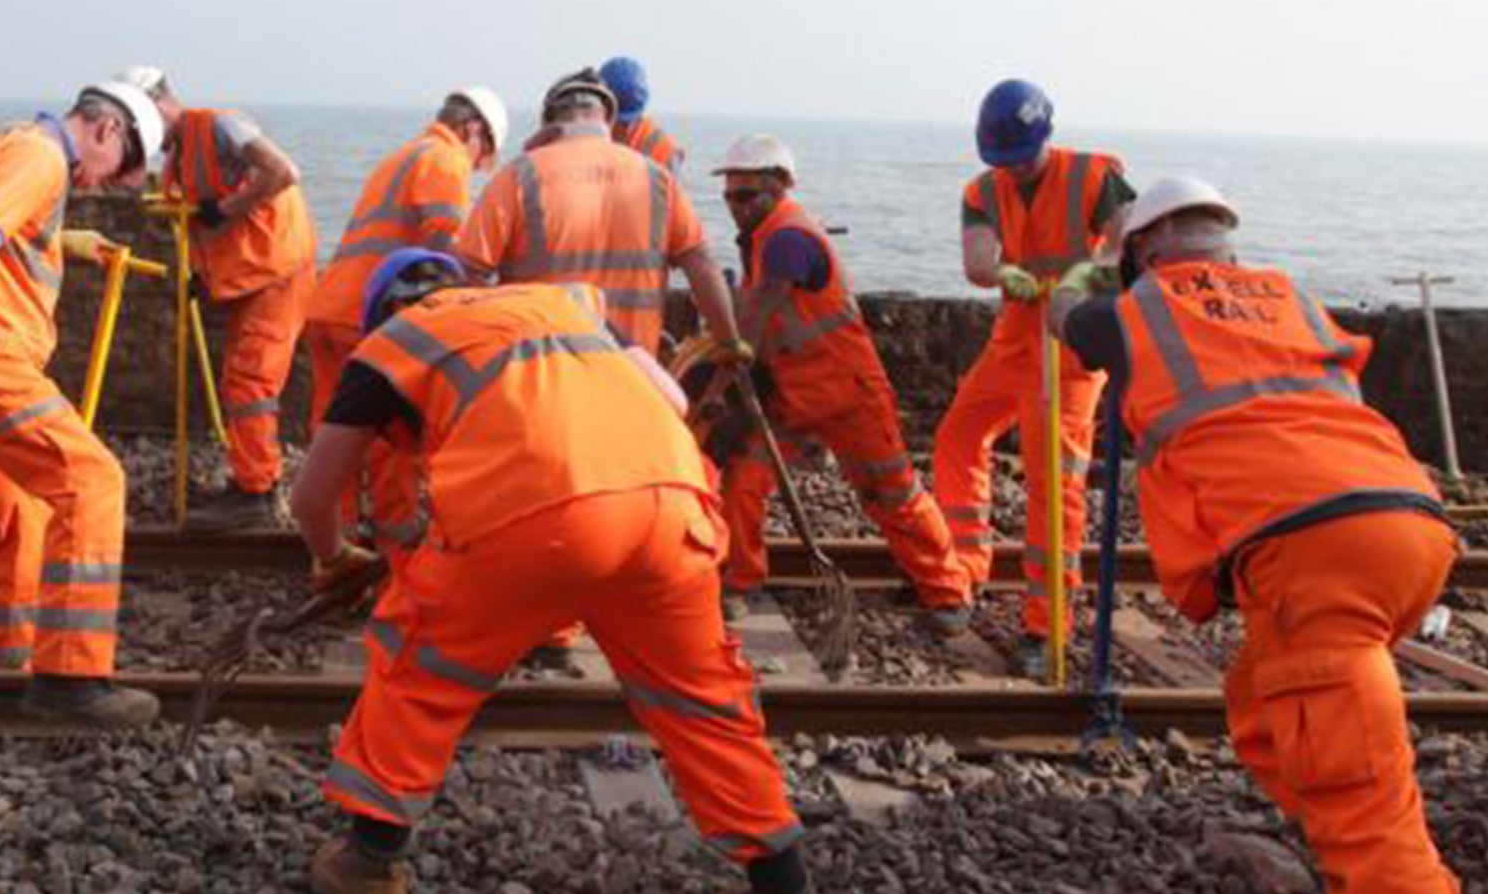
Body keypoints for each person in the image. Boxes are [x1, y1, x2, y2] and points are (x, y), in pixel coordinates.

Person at [1049, 177, 1488, 894]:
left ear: (1140, 252)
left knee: (1362, 808)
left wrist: (1096, 267)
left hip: (1311, 555)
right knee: (1261, 712)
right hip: (1401, 526)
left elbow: (1066, 319)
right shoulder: (1289, 296)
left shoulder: (1132, 308)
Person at [291, 249, 825, 894]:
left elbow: (314, 494)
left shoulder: (397, 343)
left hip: (531, 517)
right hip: (672, 507)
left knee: (421, 666)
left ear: (386, 308)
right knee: (702, 699)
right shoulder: (564, 307)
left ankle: (371, 865)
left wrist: (333, 558)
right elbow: (671, 399)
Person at [0, 80, 165, 726]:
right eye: (122, 167)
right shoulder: (41, 155)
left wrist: (55, 240)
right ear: (108, 130)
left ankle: (3, 651)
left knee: (18, 507)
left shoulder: (5, 141)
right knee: (91, 482)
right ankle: (70, 680)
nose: (107, 182)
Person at [713, 134, 966, 625]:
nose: (735, 207)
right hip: (794, 396)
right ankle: (740, 579)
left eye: (746, 196)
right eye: (729, 196)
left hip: (849, 395)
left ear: (781, 186)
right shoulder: (764, 238)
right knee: (743, 479)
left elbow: (753, 318)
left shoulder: (787, 238)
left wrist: (717, 389)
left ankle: (947, 594)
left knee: (892, 492)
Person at [932, 80, 1134, 676]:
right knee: (958, 439)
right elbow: (975, 260)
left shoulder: (1095, 176)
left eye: (1021, 157)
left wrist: (1084, 279)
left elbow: (1127, 246)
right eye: (1002, 160)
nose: (1013, 170)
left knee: (1054, 480)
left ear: (1045, 136)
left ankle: (1046, 630)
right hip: (1015, 342)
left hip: (1070, 350)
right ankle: (963, 574)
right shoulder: (983, 189)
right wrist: (1001, 272)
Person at [128, 66, 318, 531]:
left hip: (277, 271)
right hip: (251, 279)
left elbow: (282, 171)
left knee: (250, 384)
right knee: (241, 381)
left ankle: (257, 492)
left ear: (159, 103)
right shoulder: (179, 157)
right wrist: (200, 274)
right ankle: (253, 480)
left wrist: (225, 209)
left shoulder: (218, 126)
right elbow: (202, 227)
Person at [456, 68, 742, 360]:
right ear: (609, 120)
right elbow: (702, 265)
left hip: (543, 372)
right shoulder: (657, 179)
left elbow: (466, 275)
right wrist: (729, 343)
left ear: (547, 122)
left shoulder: (519, 175)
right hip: (635, 372)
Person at [304, 87, 508, 429]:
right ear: (473, 129)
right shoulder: (446, 159)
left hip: (329, 308)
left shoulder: (401, 157)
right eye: (483, 153)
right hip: (370, 318)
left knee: (333, 432)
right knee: (392, 442)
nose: (476, 165)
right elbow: (446, 249)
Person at [601, 55, 684, 173]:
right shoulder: (578, 138)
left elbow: (671, 189)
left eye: (630, 120)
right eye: (619, 121)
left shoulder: (663, 149)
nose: (626, 128)